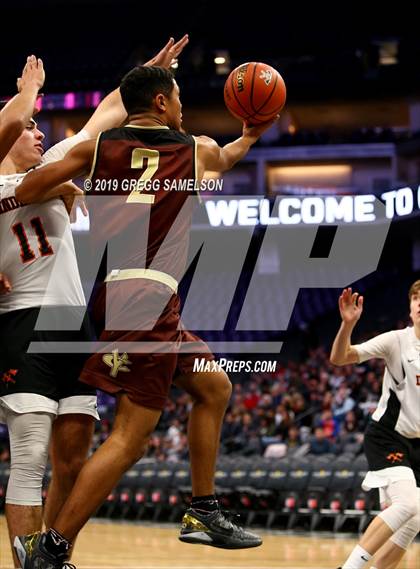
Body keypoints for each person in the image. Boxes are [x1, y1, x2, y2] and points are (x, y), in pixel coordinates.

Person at [13, 64, 277, 568]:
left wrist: (71, 188)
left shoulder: (95, 150)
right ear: (160, 102)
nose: (181, 108)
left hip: (126, 295)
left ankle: (202, 509)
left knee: (214, 387)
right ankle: (52, 547)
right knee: (130, 439)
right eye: (177, 99)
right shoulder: (192, 147)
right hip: (148, 302)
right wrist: (250, 134)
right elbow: (224, 158)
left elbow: (24, 190)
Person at [0, 38, 188, 568]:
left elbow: (103, 116)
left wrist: (149, 73)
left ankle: (52, 559)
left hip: (71, 319)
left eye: (38, 126)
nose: (39, 133)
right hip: (20, 321)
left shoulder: (56, 164)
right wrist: (28, 93)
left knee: (73, 459)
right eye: (31, 127)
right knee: (30, 456)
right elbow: (13, 123)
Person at [330, 286, 420, 569]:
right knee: (406, 505)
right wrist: (348, 326)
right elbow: (341, 357)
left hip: (417, 444)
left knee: (415, 518)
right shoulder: (397, 341)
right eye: (416, 298)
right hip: (388, 437)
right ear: (410, 308)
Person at [0, 55, 44, 163]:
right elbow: (15, 122)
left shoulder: (40, 172)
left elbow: (84, 137)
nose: (41, 134)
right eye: (28, 127)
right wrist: (32, 86)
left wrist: (24, 97)